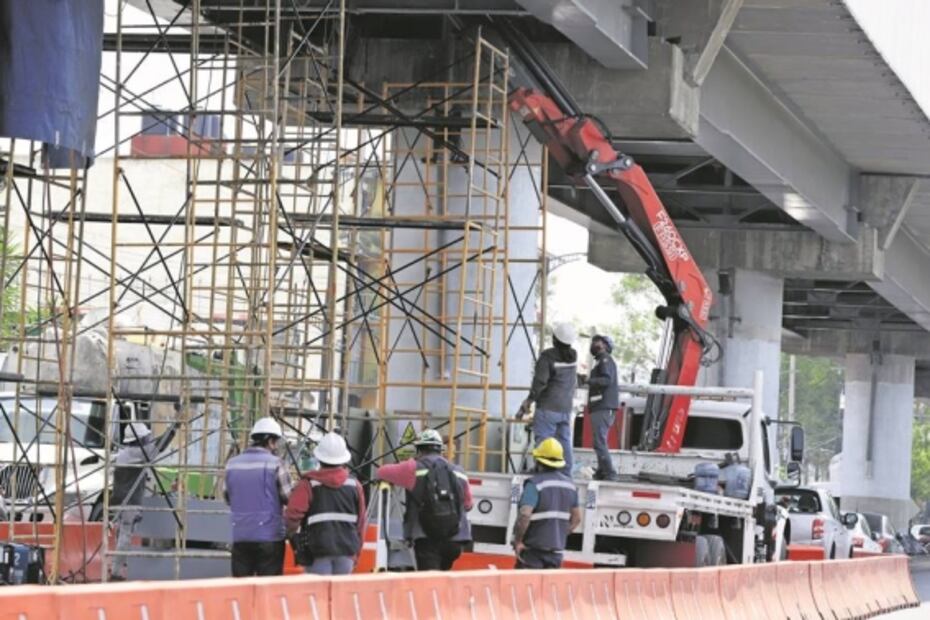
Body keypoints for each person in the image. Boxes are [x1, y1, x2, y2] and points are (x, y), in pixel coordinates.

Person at [376, 429, 472, 571]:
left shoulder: (412, 468)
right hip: (455, 538)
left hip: (425, 537)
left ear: (419, 450)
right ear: (441, 450)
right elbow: (468, 505)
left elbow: (381, 472)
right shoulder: (459, 472)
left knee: (429, 580)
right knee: (441, 578)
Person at [284, 432, 366, 575]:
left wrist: (291, 536)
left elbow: (292, 516)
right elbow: (361, 523)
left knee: (317, 590)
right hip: (346, 553)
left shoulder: (308, 484)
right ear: (343, 459)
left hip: (316, 552)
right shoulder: (355, 485)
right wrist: (356, 554)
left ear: (319, 458)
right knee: (340, 590)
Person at [224, 417, 293, 577]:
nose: (276, 446)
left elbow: (228, 497)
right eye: (276, 442)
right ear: (270, 441)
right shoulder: (276, 464)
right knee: (268, 588)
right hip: (270, 537)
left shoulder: (232, 464)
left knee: (242, 587)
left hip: (241, 536)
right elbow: (288, 497)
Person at [110, 420, 176, 580]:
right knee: (125, 536)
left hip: (118, 501)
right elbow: (160, 444)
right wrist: (175, 426)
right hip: (129, 502)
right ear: (140, 439)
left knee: (122, 535)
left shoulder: (123, 454)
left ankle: (120, 567)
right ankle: (116, 573)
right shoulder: (139, 453)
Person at [511, 438, 581, 569]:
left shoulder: (535, 484)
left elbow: (525, 515)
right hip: (556, 554)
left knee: (527, 582)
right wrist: (557, 535)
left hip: (532, 553)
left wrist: (518, 541)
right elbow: (576, 519)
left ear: (538, 461)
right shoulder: (570, 486)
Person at [518, 322, 578, 474]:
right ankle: (566, 473)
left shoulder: (547, 357)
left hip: (548, 407)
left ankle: (542, 471)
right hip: (565, 408)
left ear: (555, 339)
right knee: (564, 441)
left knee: (543, 440)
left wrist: (528, 401)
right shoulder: (573, 356)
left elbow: (540, 382)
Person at [586, 334, 619, 481]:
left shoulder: (605, 359)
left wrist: (589, 381)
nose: (594, 344)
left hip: (603, 406)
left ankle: (610, 472)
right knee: (598, 441)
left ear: (605, 345)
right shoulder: (600, 361)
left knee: (599, 441)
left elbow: (606, 380)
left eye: (597, 342)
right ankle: (602, 470)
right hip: (600, 406)